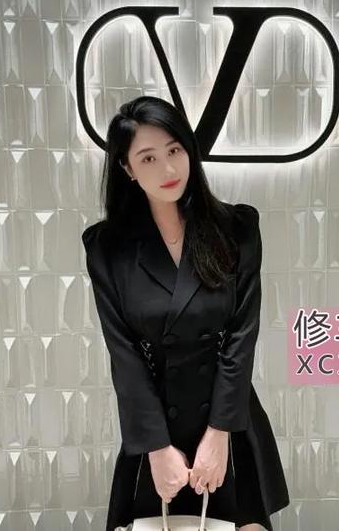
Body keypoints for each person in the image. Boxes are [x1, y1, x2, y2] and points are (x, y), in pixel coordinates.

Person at [81, 95, 289, 530]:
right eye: (148, 158)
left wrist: (219, 433)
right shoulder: (108, 247)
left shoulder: (237, 229)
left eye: (174, 150)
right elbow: (124, 355)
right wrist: (157, 449)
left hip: (229, 420)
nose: (168, 168)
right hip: (156, 431)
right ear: (127, 168)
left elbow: (241, 337)